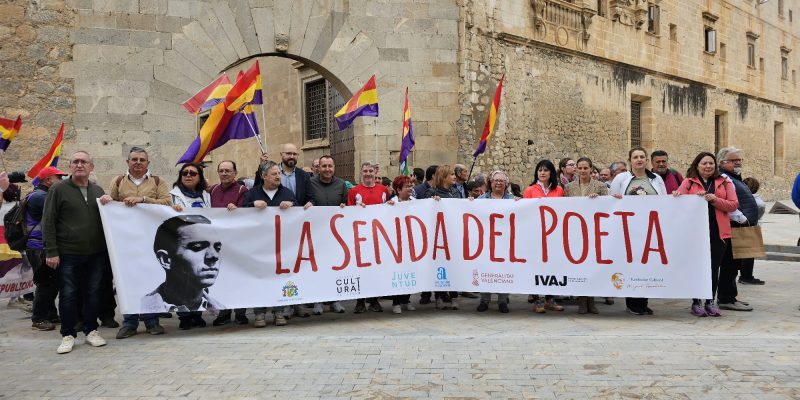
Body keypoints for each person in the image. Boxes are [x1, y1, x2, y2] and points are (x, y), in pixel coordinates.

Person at [99, 146, 171, 339]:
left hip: (151, 239)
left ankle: (152, 321)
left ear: (148, 163)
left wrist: (143, 199)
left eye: (142, 159)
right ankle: (129, 323)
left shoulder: (158, 181)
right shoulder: (118, 181)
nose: (138, 162)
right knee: (126, 281)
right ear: (128, 162)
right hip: (126, 241)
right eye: (134, 159)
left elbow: (167, 202)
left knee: (151, 278)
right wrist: (107, 200)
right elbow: (110, 204)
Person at [42, 151, 109, 354]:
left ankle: (91, 330)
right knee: (69, 294)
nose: (79, 165)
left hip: (95, 253)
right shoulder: (58, 189)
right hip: (68, 252)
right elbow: (48, 221)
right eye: (75, 162)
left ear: (91, 167)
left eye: (84, 162)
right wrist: (51, 251)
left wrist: (109, 202)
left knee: (92, 293)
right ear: (70, 166)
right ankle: (68, 334)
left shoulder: (98, 190)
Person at [675, 152, 738, 317]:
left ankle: (710, 300)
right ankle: (696, 302)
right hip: (694, 233)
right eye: (704, 163)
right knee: (697, 267)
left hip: (718, 232)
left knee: (713, 267)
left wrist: (714, 200)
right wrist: (676, 196)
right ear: (697, 165)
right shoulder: (688, 183)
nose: (708, 166)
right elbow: (678, 204)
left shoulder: (724, 182)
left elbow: (733, 205)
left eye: (711, 163)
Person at [610, 147, 667, 316]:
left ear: (646, 160)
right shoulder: (622, 178)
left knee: (647, 264)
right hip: (628, 228)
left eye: (642, 157)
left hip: (649, 228)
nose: (639, 160)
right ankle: (632, 303)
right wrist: (616, 199)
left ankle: (643, 301)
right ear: (630, 160)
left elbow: (664, 199)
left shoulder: (656, 178)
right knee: (631, 264)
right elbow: (611, 199)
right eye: (636, 157)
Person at [243, 162, 299, 327]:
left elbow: (299, 211)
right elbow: (240, 212)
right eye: (274, 174)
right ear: (264, 176)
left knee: (279, 278)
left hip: (281, 246)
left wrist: (292, 205)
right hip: (259, 246)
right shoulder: (253, 194)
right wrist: (251, 206)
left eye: (278, 174)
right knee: (259, 278)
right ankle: (259, 313)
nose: (277, 177)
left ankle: (279, 311)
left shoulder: (286, 192)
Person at [141, 215, 225, 313]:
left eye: (217, 248)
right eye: (197, 247)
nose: (214, 256)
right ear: (165, 260)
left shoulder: (222, 308)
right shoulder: (140, 307)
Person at [168, 163, 212, 329]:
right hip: (183, 243)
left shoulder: (206, 196)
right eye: (184, 173)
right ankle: (184, 316)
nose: (188, 176)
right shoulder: (172, 196)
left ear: (199, 177)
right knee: (182, 279)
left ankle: (197, 314)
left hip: (202, 243)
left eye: (193, 173)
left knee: (196, 280)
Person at [25, 167, 67, 331]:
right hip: (39, 247)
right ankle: (38, 318)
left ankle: (50, 314)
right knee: (46, 283)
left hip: (40, 247)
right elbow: (61, 214)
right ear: (48, 180)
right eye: (59, 178)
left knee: (52, 282)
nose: (62, 181)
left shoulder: (41, 194)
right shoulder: (40, 197)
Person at [207, 160, 249, 327]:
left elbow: (246, 212)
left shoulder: (242, 190)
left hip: (237, 242)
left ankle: (240, 312)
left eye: (228, 171)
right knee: (221, 279)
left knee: (238, 278)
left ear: (235, 173)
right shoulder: (213, 190)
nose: (224, 174)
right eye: (221, 171)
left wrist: (237, 209)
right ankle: (223, 313)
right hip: (217, 242)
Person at [564, 157, 608, 314]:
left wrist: (599, 200)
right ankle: (582, 300)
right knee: (580, 267)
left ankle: (592, 300)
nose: (583, 171)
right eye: (580, 168)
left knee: (593, 266)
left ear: (591, 169)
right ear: (576, 169)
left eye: (585, 168)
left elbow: (606, 206)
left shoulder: (601, 186)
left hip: (595, 229)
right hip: (576, 229)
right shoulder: (568, 188)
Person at [717, 147, 758, 310]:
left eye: (739, 160)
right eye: (734, 160)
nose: (738, 163)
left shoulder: (734, 178)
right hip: (735, 226)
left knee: (735, 264)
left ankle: (730, 297)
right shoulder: (725, 178)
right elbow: (727, 203)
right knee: (730, 264)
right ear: (722, 163)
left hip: (742, 227)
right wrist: (743, 218)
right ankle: (726, 298)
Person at [307, 155, 348, 315]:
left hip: (334, 235)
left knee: (334, 268)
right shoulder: (310, 183)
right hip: (315, 233)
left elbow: (346, 205)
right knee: (317, 268)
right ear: (319, 168)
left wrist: (344, 207)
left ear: (334, 167)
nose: (327, 169)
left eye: (330, 166)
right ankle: (317, 300)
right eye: (324, 166)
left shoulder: (341, 184)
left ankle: (335, 300)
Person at [348, 162, 390, 313]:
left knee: (376, 269)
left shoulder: (384, 189)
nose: (368, 173)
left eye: (370, 171)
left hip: (378, 236)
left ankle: (373, 300)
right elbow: (349, 212)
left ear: (375, 172)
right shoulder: (354, 191)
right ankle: (360, 301)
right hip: (361, 236)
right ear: (361, 172)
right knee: (360, 269)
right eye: (365, 171)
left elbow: (389, 209)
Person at [523, 159, 564, 313]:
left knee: (552, 267)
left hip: (553, 235)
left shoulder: (559, 190)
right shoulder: (530, 190)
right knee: (535, 267)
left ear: (551, 173)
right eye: (540, 170)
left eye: (545, 170)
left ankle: (550, 299)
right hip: (535, 235)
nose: (542, 173)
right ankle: (537, 300)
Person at [475, 170, 516, 313]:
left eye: (501, 181)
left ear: (506, 184)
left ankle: (503, 301)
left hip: (505, 242)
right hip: (486, 241)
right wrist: (468, 203)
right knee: (486, 269)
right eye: (495, 180)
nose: (498, 183)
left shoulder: (513, 200)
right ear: (490, 183)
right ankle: (484, 300)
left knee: (504, 270)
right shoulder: (480, 200)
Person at [387, 175, 417, 314]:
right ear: (398, 190)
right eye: (407, 186)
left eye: (411, 186)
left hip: (411, 243)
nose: (410, 188)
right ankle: (396, 301)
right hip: (396, 244)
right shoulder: (390, 204)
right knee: (398, 273)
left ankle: (406, 300)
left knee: (410, 272)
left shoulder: (416, 203)